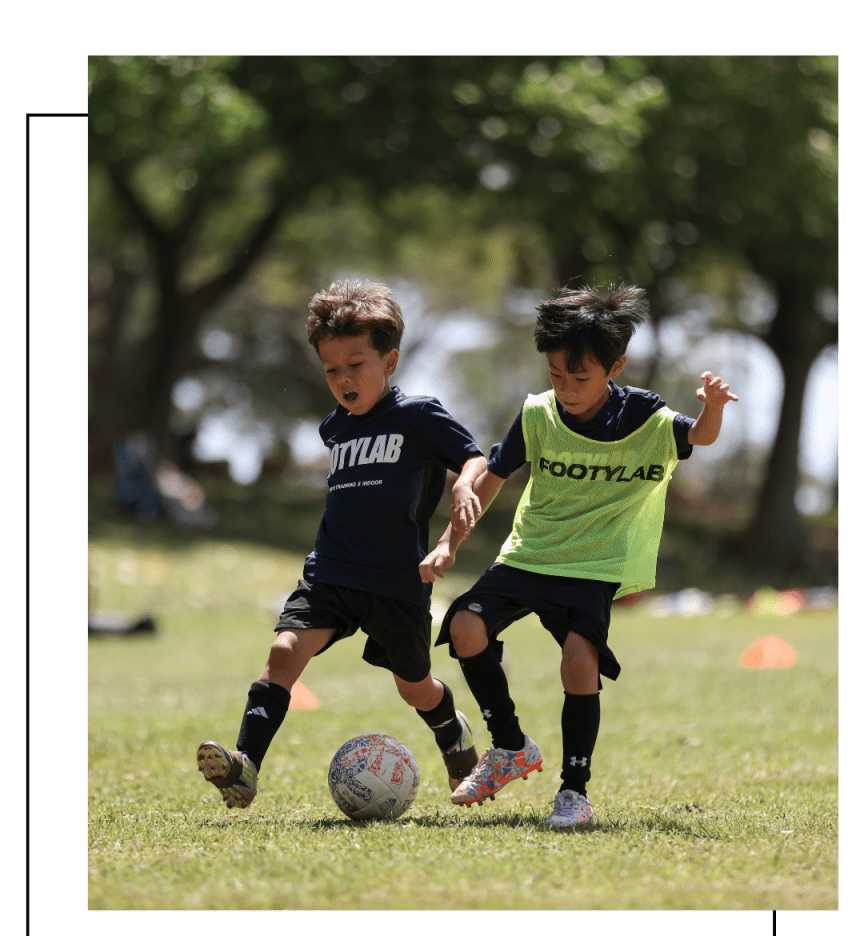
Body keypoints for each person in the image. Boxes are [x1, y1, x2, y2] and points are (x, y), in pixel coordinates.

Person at [420, 283, 739, 829]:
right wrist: (450, 540)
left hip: (593, 566)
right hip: (530, 554)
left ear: (614, 368)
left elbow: (699, 439)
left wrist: (711, 410)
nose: (566, 389)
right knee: (467, 628)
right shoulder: (538, 416)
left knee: (579, 663)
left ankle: (574, 792)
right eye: (556, 376)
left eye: (580, 378)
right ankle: (510, 746)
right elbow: (494, 477)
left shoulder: (645, 417)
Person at [197, 281, 486, 809]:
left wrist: (464, 484)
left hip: (396, 580)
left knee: (414, 687)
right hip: (330, 570)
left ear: (390, 361)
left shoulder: (418, 415)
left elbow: (474, 457)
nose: (344, 379)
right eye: (332, 370)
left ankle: (452, 730)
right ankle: (245, 768)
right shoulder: (334, 428)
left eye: (356, 364)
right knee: (284, 652)